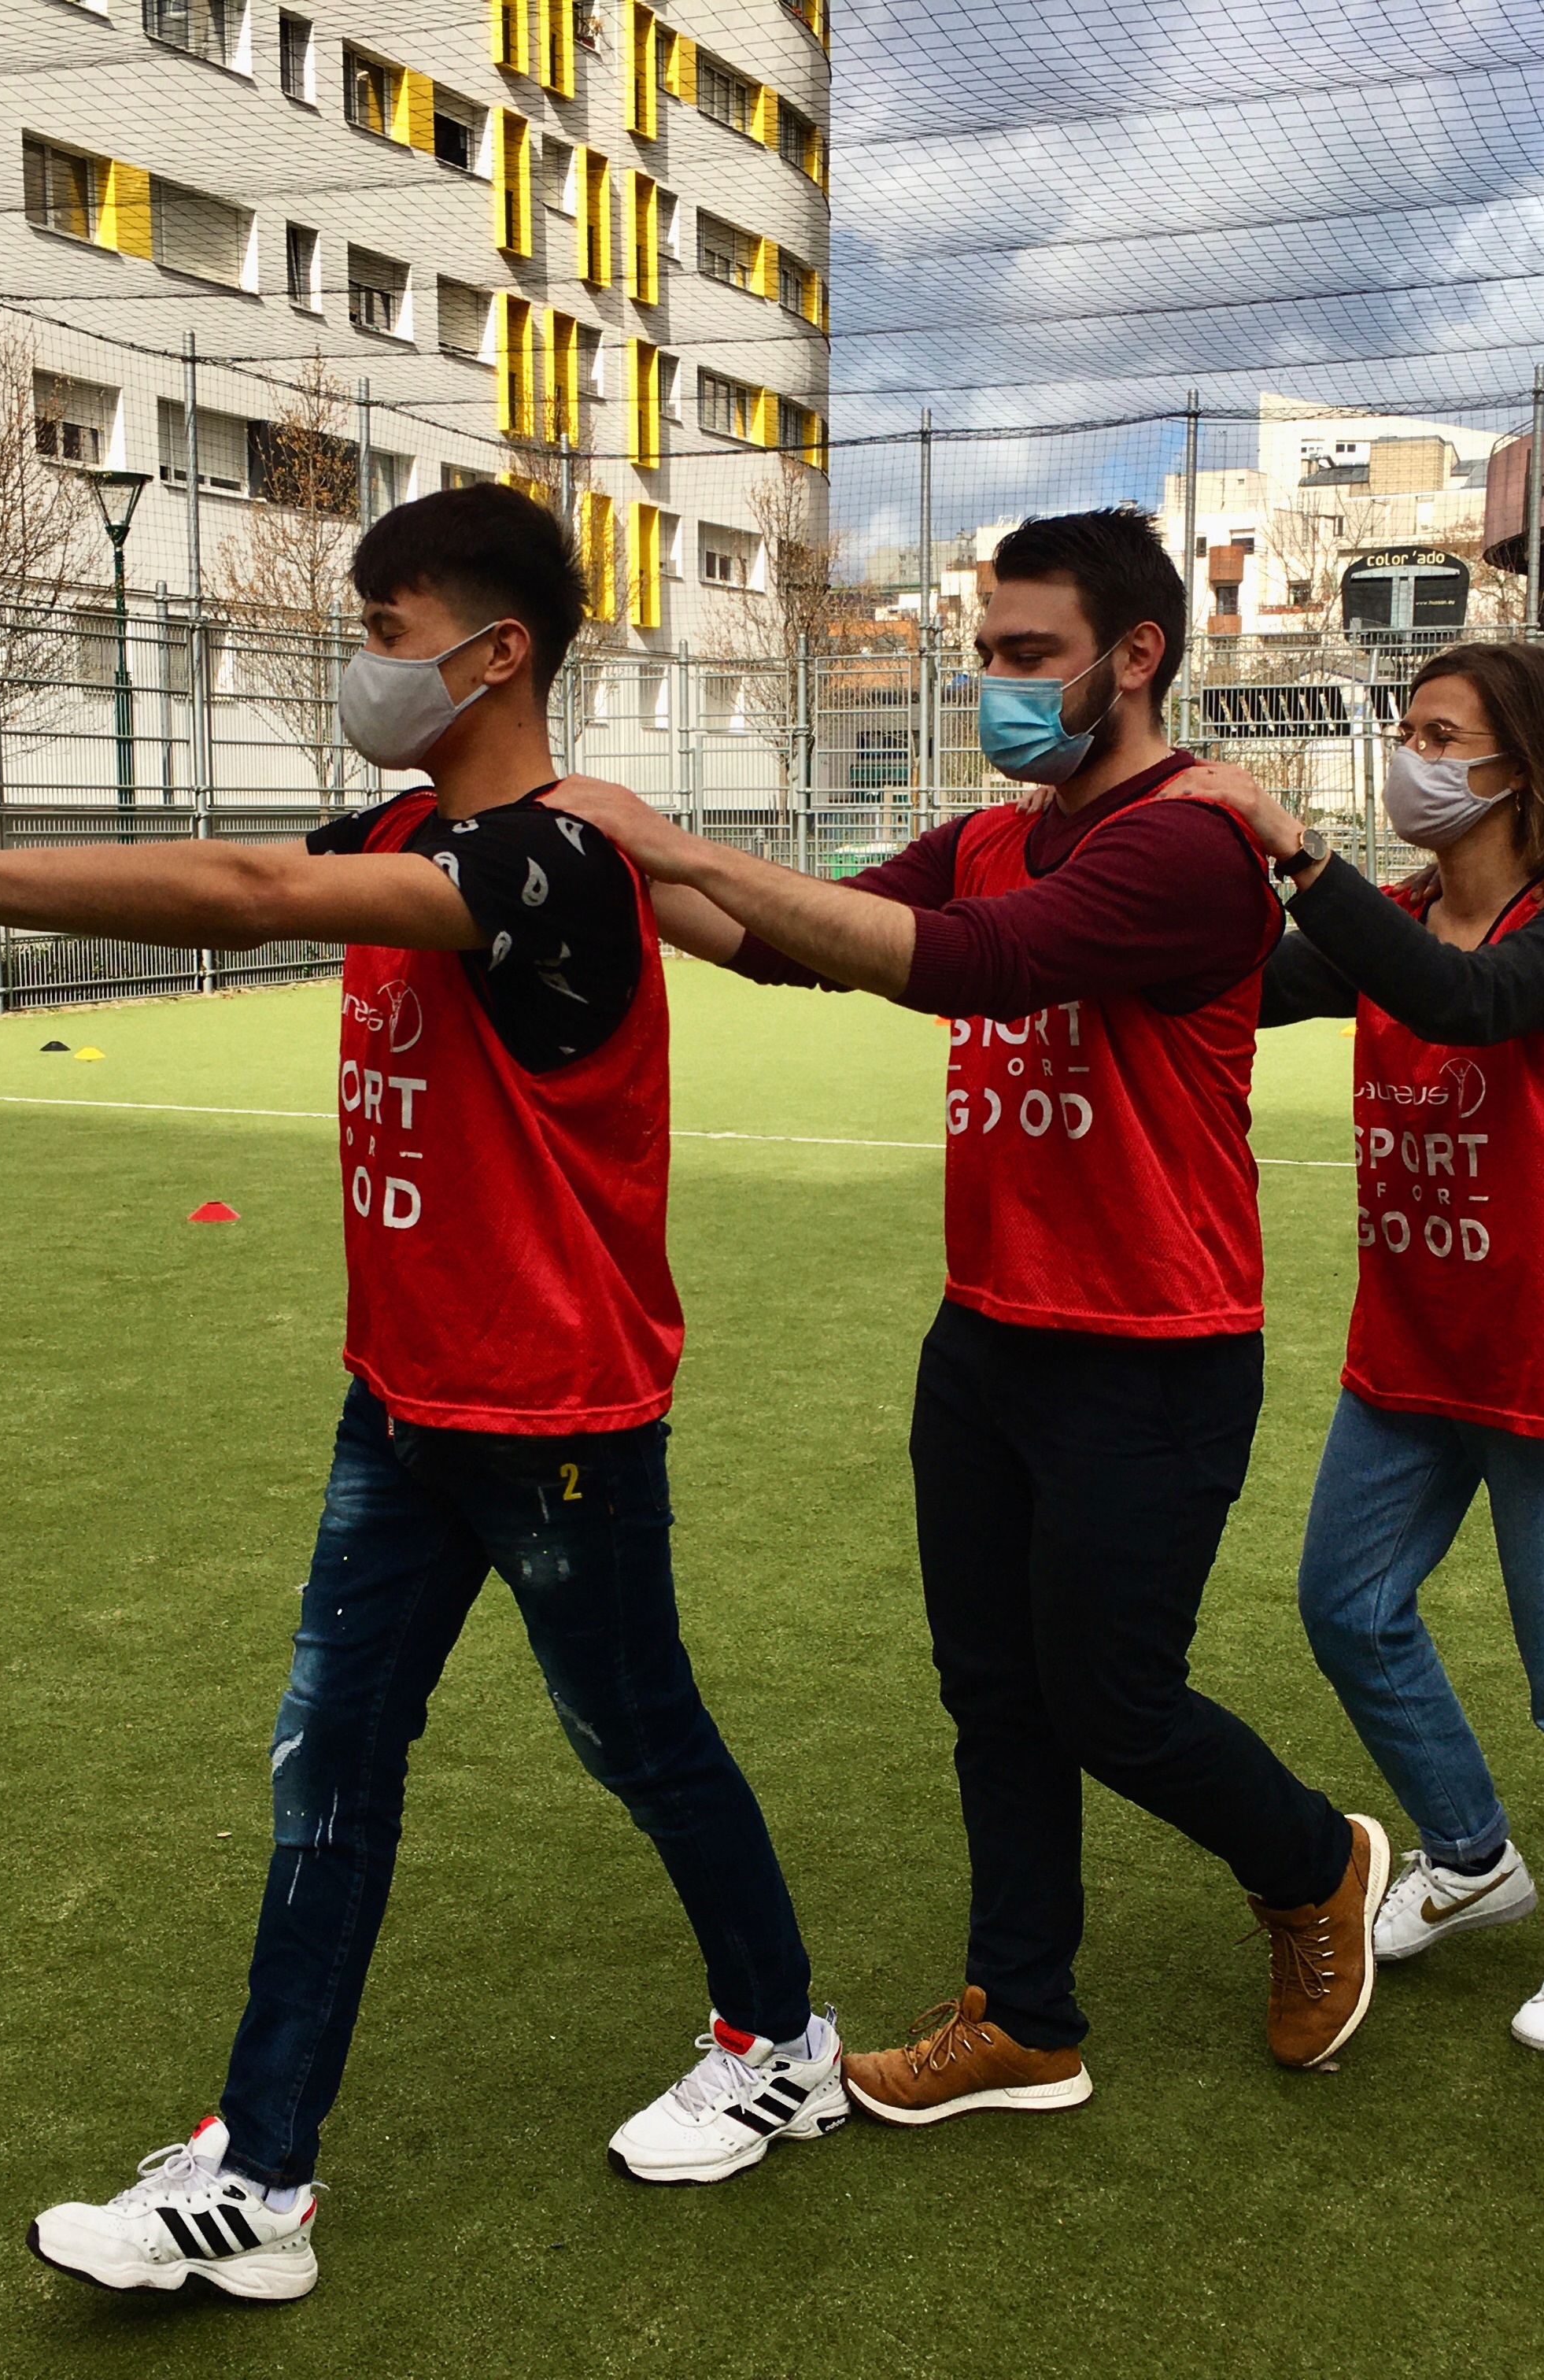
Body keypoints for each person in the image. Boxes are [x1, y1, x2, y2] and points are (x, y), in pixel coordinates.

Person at [0, 486, 840, 2304]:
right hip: (406, 1404)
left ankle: (778, 2041)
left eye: (381, 627)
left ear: (494, 650)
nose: (357, 664)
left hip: (557, 1417)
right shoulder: (411, 827)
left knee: (640, 1741)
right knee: (329, 1769)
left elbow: (257, 892)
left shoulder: (549, 867)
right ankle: (257, 2176)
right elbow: (222, 876)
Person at [547, 509, 1389, 2117]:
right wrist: (594, 864)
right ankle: (1025, 2016)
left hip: (1155, 1348)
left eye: (1027, 656)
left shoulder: (1189, 843)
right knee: (993, 1693)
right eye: (985, 652)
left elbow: (977, 969)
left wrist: (674, 841)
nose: (992, 684)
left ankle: (1308, 1861)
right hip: (991, 1335)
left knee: (1112, 1700)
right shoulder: (997, 831)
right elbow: (795, 946)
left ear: (1134, 658)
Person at [1185, 643, 1544, 2050]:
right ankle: (1470, 1852)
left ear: (1518, 767)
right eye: (1406, 728)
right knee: (1346, 1604)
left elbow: (1465, 1000)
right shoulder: (1393, 919)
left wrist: (1295, 849)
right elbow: (1235, 984)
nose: (1412, 753)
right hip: (1411, 1345)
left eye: (1439, 732)